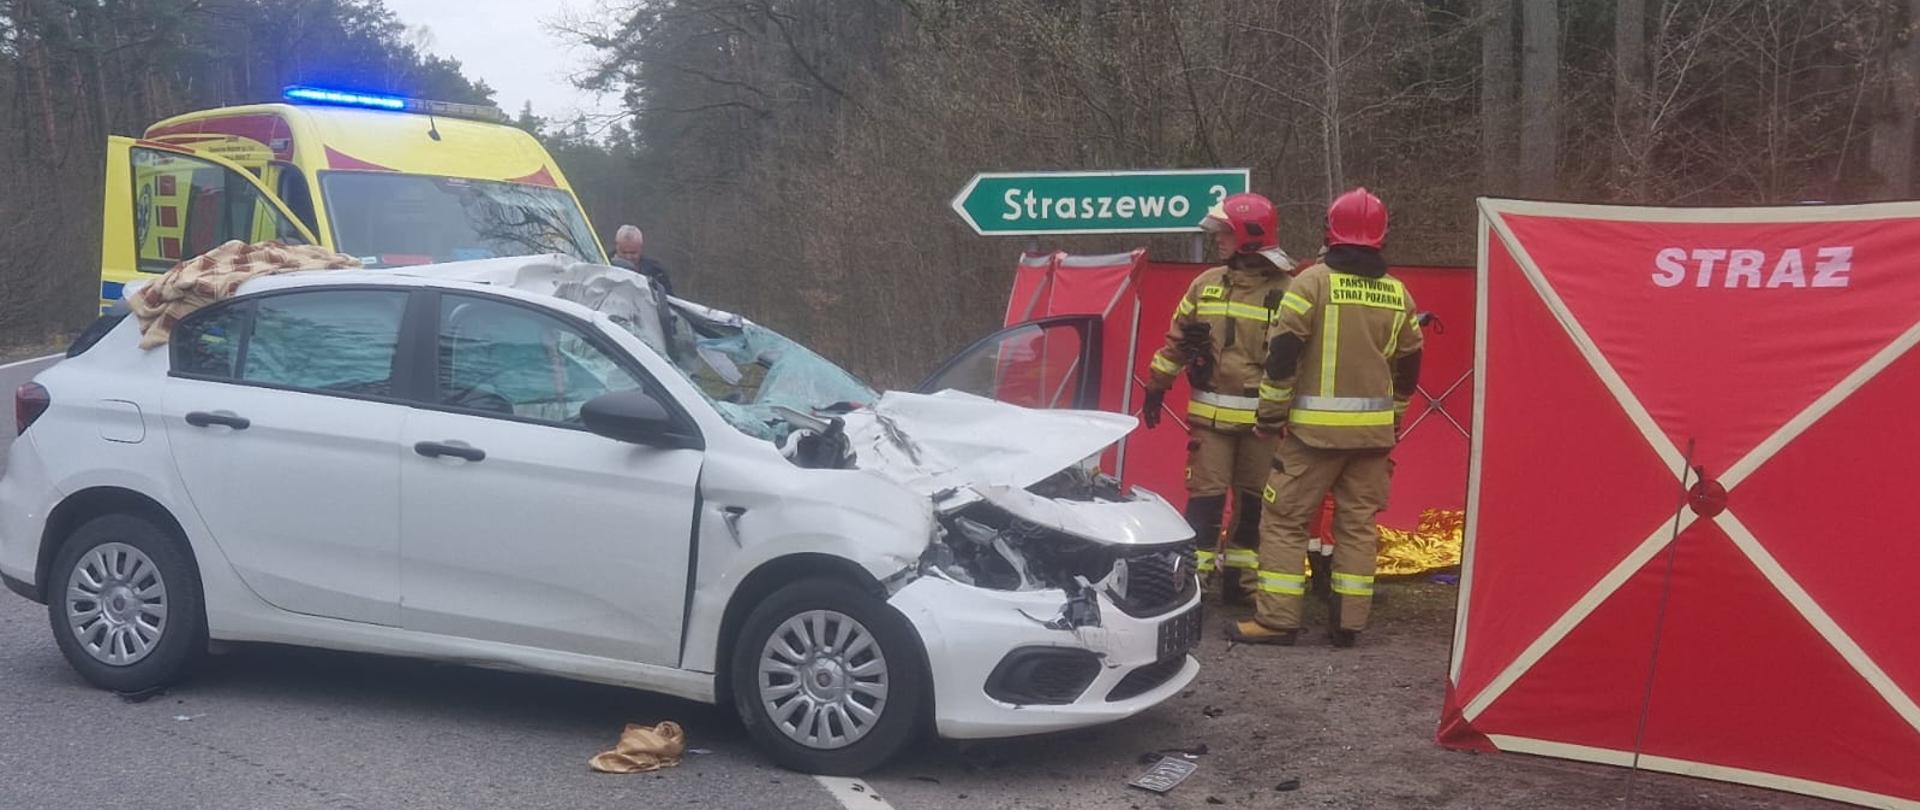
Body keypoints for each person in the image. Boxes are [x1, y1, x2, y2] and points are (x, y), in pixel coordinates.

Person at [1230, 187, 1423, 648]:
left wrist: (1270, 416)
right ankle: (1348, 624)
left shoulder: (1311, 282)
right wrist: (1393, 420)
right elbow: (1410, 365)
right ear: (1381, 236)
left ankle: (1277, 620)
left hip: (1313, 438)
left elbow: (1282, 354)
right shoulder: (1399, 294)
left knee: (1284, 519)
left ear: (1329, 232)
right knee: (1357, 527)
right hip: (1373, 441)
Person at [1141, 193, 1294, 606]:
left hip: (1263, 426)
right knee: (1205, 503)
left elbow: (1301, 357)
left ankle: (1241, 582)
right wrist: (1157, 385)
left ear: (1248, 236)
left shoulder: (1289, 292)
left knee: (1253, 504)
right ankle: (1193, 584)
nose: (1218, 241)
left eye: (1225, 232)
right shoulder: (1204, 285)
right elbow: (1176, 340)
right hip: (1210, 422)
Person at [610, 225, 673, 296]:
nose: (628, 257)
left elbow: (669, 301)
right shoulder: (603, 265)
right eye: (624, 252)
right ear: (617, 247)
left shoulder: (657, 273)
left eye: (633, 253)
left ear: (640, 249)